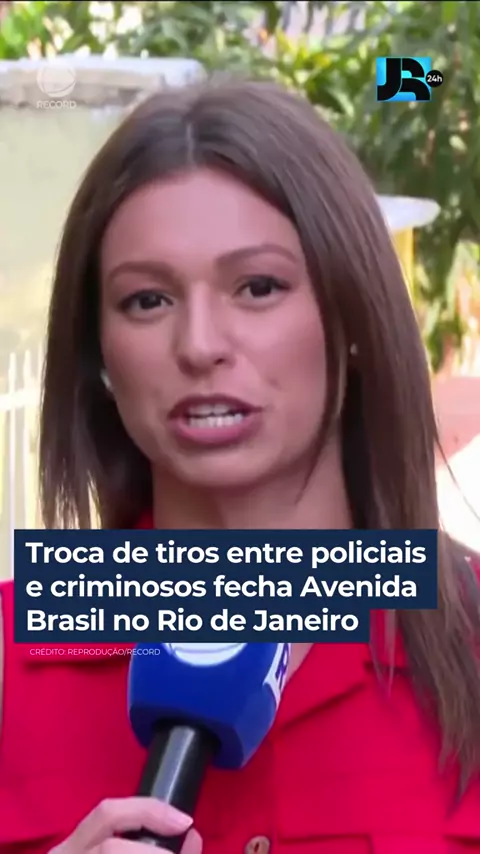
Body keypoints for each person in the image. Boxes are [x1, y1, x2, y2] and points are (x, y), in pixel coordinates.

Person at [1, 75, 480, 854]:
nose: (199, 345)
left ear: (354, 318)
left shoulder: (464, 635)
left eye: (258, 287)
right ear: (99, 355)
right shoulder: (14, 655)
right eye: (147, 300)